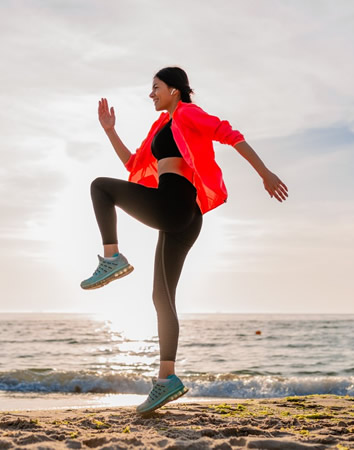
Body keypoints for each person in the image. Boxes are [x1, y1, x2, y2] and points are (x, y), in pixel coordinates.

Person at [81, 67, 288, 414]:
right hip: (184, 217)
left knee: (100, 186)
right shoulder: (160, 128)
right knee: (162, 297)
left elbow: (230, 134)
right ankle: (167, 380)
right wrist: (110, 131)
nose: (151, 94)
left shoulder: (189, 113)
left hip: (176, 205)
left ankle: (112, 258)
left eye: (156, 88)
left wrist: (264, 173)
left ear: (175, 90)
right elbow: (134, 163)